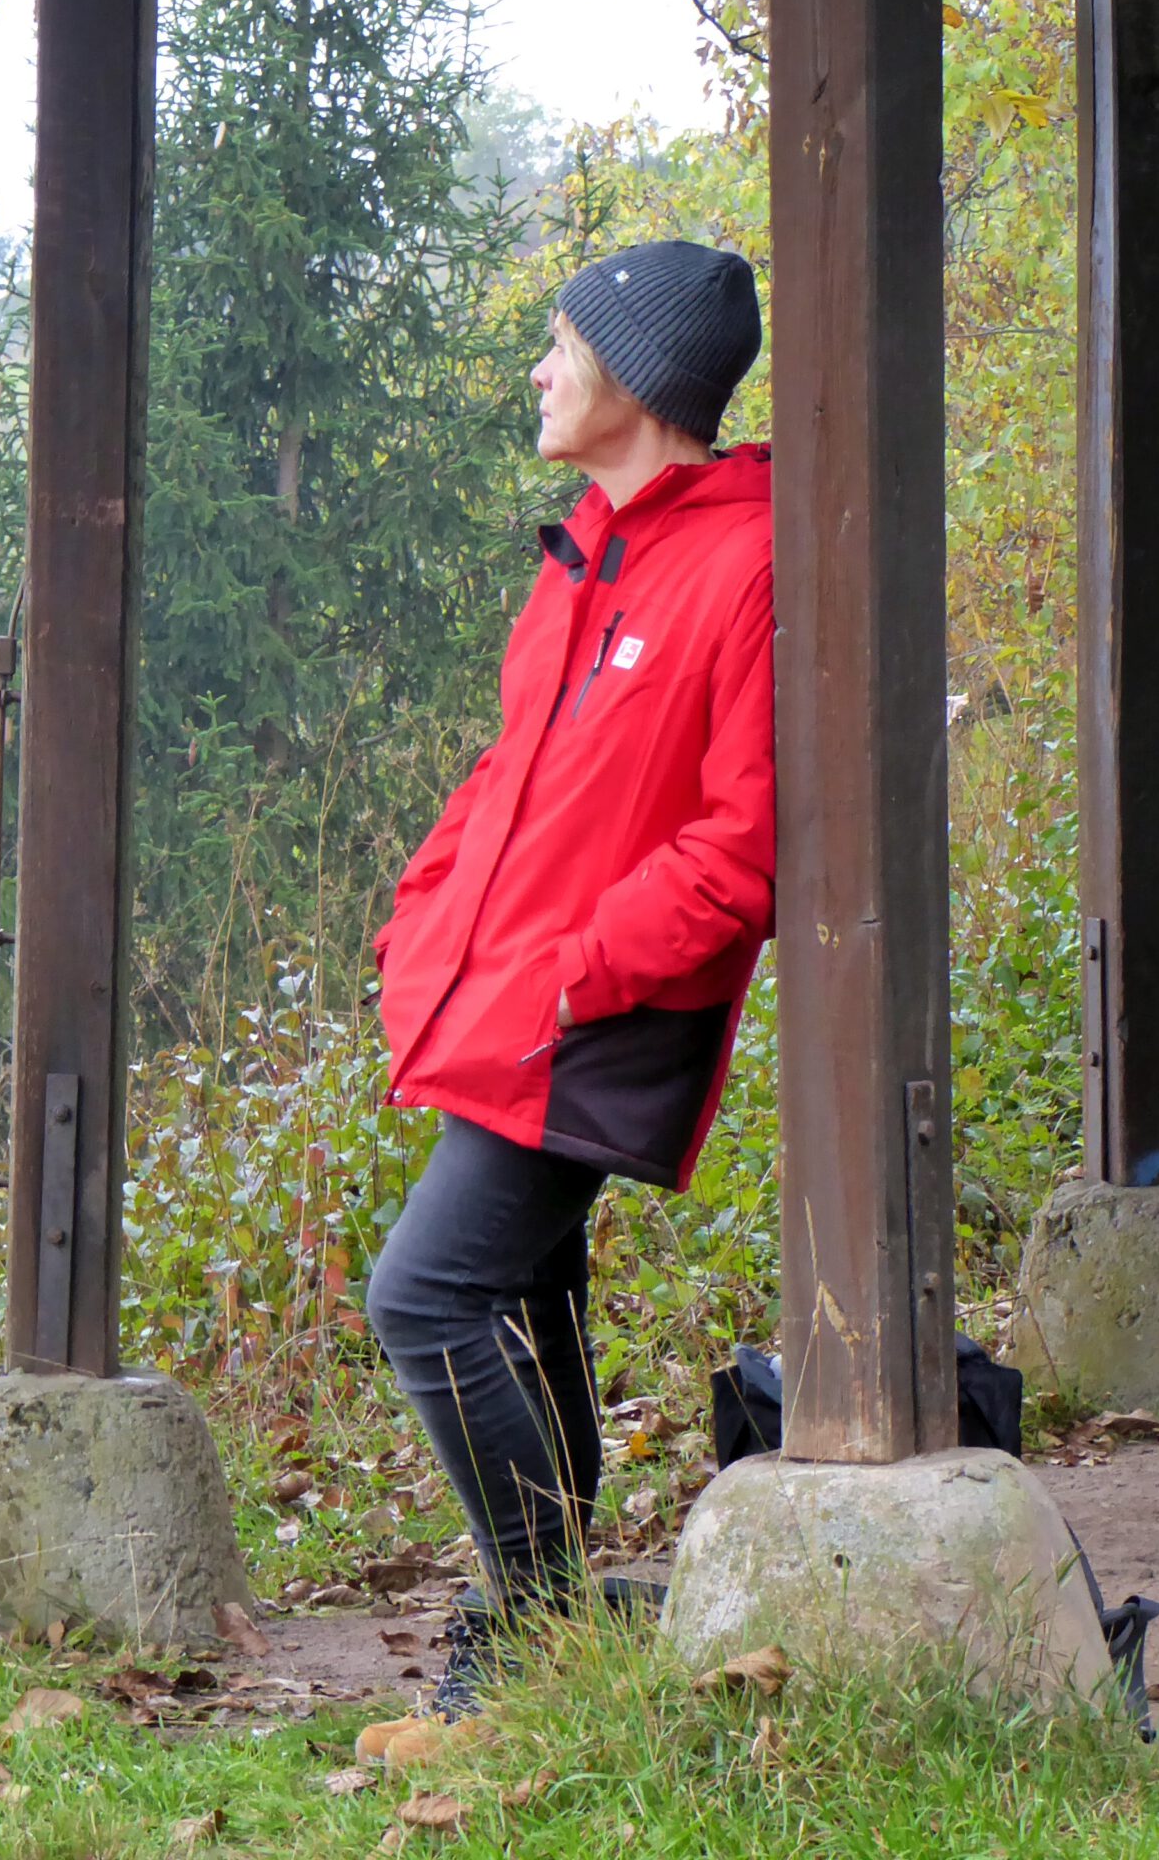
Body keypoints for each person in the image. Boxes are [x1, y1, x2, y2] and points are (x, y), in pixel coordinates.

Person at [363, 239, 774, 1724]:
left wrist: (574, 971)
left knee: (425, 1294)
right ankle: (537, 1628)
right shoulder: (587, 550)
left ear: (641, 376)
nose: (538, 371)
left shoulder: (749, 561)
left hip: (601, 1015)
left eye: (559, 346)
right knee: (524, 1298)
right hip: (509, 991)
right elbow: (508, 777)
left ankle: (533, 1615)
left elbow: (744, 848)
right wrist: (422, 917)